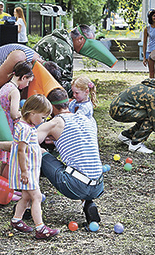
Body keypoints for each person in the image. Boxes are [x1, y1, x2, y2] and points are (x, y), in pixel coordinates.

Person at [36, 88, 104, 225]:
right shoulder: (88, 119)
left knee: (38, 151)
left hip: (75, 186)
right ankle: (88, 203)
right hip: (98, 185)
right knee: (80, 165)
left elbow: (26, 142)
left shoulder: (55, 122)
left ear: (50, 107)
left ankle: (28, 203)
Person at [8, 94, 60, 239]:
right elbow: (20, 150)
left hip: (30, 169)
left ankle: (16, 220)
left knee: (26, 196)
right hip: (27, 170)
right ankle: (40, 228)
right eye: (42, 117)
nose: (43, 121)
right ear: (32, 113)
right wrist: (24, 171)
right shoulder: (24, 128)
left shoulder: (27, 125)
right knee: (36, 196)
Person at [109, 73, 155, 154]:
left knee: (153, 114)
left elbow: (154, 108)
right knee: (152, 117)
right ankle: (135, 145)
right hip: (119, 110)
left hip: (119, 107)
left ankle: (126, 136)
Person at [0, 61, 34, 177]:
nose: (27, 85)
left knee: (4, 157)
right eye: (28, 81)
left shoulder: (5, 86)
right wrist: (25, 114)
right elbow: (14, 114)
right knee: (9, 157)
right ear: (24, 77)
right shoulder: (15, 91)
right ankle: (6, 181)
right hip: (7, 126)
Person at [34, 25, 95, 97]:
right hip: (36, 87)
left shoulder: (58, 39)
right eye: (89, 44)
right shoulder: (64, 50)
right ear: (80, 39)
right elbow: (62, 83)